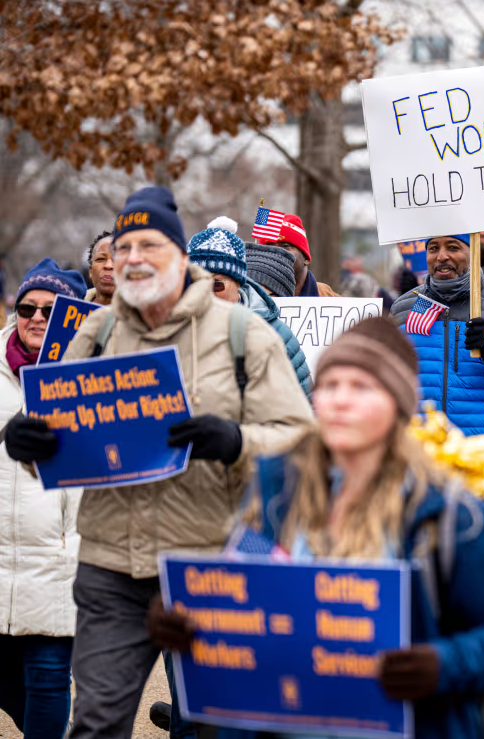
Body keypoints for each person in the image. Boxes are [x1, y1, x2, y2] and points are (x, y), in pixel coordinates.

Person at [3, 186, 315, 739]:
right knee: (97, 724)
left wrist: (235, 440)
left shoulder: (245, 335)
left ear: (176, 256)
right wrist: (32, 447)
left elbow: (303, 442)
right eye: (122, 247)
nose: (133, 258)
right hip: (110, 568)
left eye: (148, 245)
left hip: (207, 563)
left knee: (206, 726)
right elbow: (62, 447)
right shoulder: (94, 333)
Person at [150, 317, 484, 738]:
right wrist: (191, 620)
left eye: (360, 388)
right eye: (330, 386)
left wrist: (441, 664)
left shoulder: (453, 513)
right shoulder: (277, 488)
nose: (339, 400)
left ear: (398, 403)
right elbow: (247, 588)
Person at [0, 259, 86, 739]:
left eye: (50, 311)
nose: (35, 317)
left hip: (59, 559)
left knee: (49, 679)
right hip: (0, 558)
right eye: (27, 306)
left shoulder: (93, 377)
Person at [391, 234, 484, 450]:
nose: (441, 256)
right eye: (433, 248)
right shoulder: (403, 309)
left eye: (453, 247)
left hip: (483, 461)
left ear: (473, 252)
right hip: (418, 458)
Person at [187, 217, 311, 395]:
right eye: (194, 282)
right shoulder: (170, 330)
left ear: (238, 284)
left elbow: (307, 407)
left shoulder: (276, 335)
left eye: (216, 284)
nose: (204, 292)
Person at [253, 213, 338, 297]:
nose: (276, 252)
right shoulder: (249, 297)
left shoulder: (330, 299)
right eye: (269, 248)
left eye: (285, 246)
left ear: (306, 258)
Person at [86, 231, 115, 305]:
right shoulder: (68, 308)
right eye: (100, 259)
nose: (108, 266)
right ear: (90, 271)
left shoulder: (145, 314)